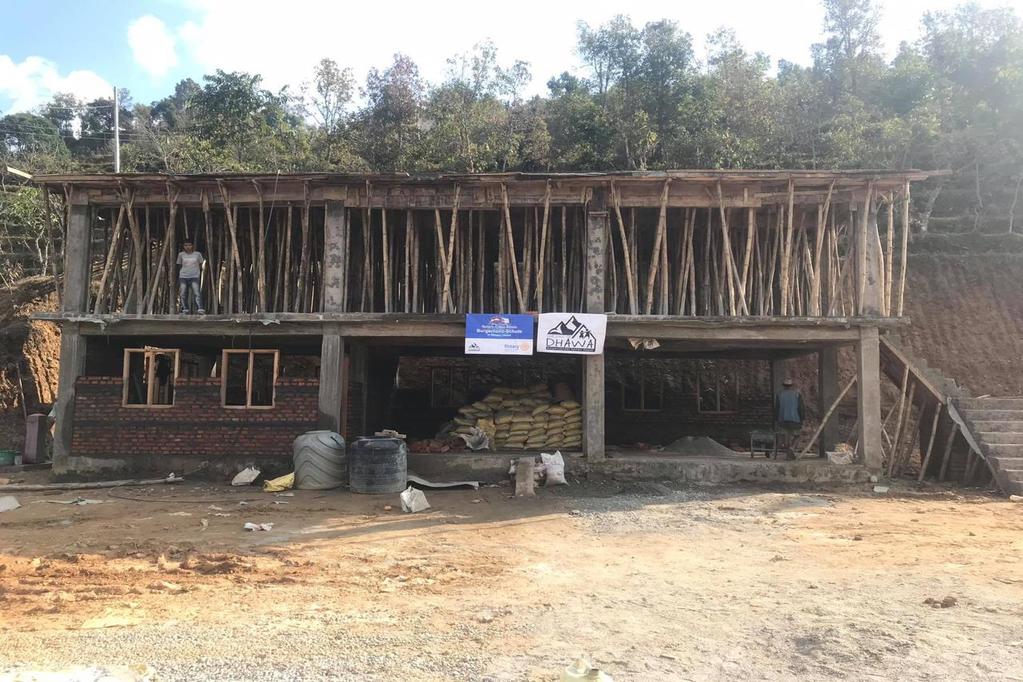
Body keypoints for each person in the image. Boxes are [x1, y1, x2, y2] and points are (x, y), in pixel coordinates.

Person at [775, 378, 805, 460]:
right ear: (791, 386)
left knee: (784, 436)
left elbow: (777, 408)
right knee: (797, 436)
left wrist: (776, 419)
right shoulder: (797, 395)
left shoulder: (779, 394)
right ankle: (792, 448)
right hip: (795, 419)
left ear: (783, 386)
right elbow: (801, 408)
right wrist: (802, 418)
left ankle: (787, 452)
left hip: (782, 420)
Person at [176, 241, 205, 314]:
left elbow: (201, 264)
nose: (187, 247)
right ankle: (185, 309)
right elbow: (179, 265)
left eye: (189, 245)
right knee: (183, 293)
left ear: (192, 246)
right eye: (185, 245)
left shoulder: (197, 254)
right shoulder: (181, 254)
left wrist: (197, 272)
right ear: (183, 246)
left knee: (197, 293)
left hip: (194, 276)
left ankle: (200, 309)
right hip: (183, 276)